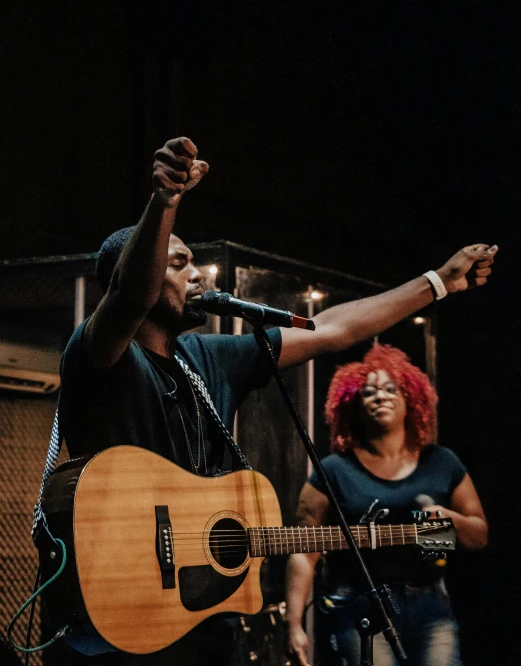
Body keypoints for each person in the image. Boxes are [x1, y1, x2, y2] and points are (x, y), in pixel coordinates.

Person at [49, 137, 495, 666]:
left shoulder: (212, 357)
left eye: (194, 263)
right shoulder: (97, 353)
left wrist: (437, 283)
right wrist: (164, 201)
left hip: (200, 622)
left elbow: (333, 327)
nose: (197, 274)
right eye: (178, 263)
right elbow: (130, 297)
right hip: (119, 617)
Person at [285, 344, 488, 666]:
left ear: (411, 400)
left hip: (430, 606)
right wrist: (293, 623)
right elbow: (303, 550)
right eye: (368, 393)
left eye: (391, 389)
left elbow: (479, 536)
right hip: (359, 608)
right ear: (353, 406)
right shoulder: (335, 470)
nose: (380, 396)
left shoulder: (441, 462)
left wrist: (449, 520)